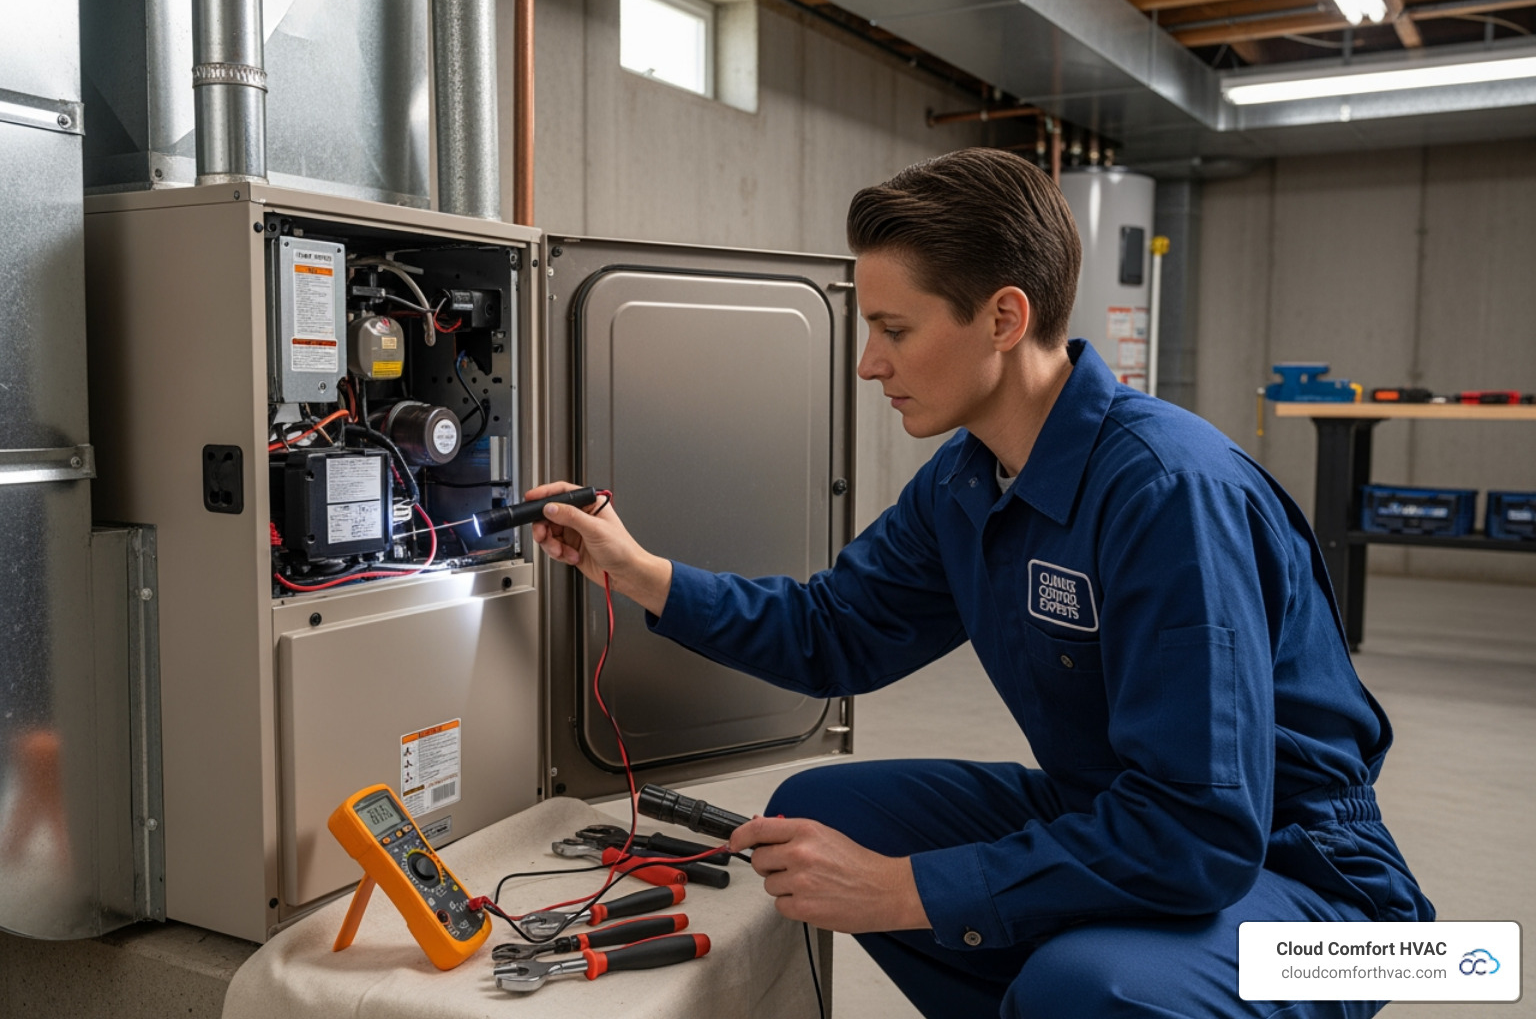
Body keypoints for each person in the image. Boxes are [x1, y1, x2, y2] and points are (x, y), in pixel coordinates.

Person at [527, 147, 1433, 1019]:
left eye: (894, 329)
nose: (868, 363)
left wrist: (903, 890)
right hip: (1116, 814)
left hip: (1318, 889)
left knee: (1088, 988)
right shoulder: (970, 480)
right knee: (817, 818)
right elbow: (833, 632)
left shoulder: (1166, 493)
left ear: (1003, 318)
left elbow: (1201, 832)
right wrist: (636, 570)